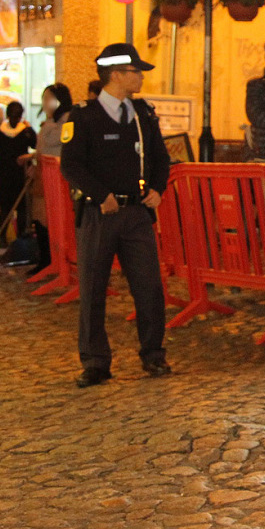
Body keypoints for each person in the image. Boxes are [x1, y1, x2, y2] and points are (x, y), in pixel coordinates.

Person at [61, 43, 171, 388]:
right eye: (136, 72)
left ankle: (153, 355)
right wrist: (101, 195)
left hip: (137, 213)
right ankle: (95, 362)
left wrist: (157, 188)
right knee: (93, 289)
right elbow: (71, 165)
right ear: (117, 75)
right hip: (100, 215)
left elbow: (161, 157)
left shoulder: (143, 114)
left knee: (149, 287)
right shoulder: (83, 116)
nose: (141, 78)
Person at [25, 83, 73, 277]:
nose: (45, 103)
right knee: (40, 218)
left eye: (49, 99)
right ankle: (45, 259)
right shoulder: (50, 122)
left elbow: (54, 142)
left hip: (58, 179)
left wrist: (49, 123)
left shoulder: (67, 120)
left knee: (51, 220)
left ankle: (55, 260)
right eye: (44, 98)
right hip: (43, 176)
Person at [0, 101, 36, 239]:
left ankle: (2, 237)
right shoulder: (26, 131)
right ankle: (21, 237)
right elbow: (35, 144)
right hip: (19, 174)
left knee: (4, 207)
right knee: (21, 206)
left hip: (3, 173)